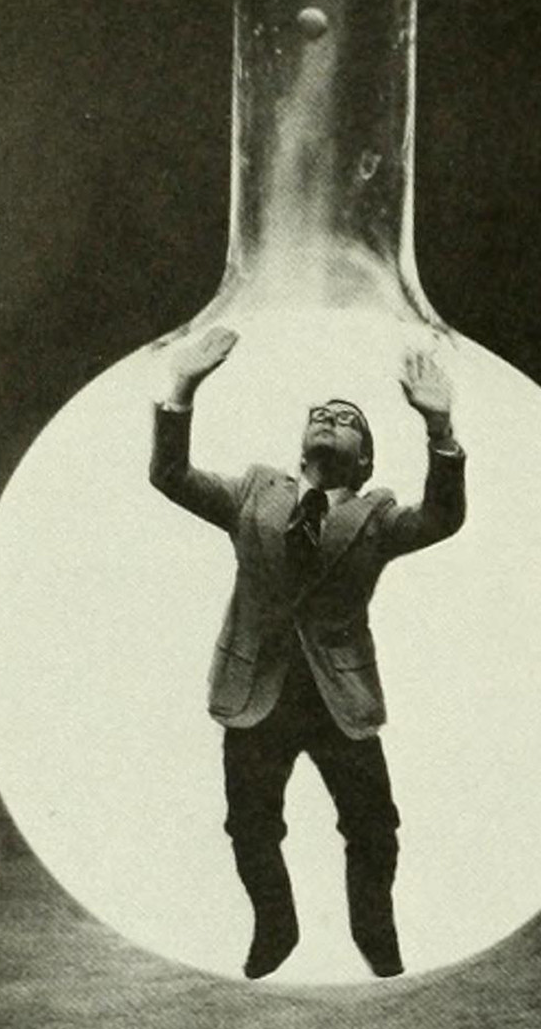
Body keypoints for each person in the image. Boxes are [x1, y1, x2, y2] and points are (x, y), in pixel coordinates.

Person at [149, 326, 466, 980]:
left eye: (347, 420)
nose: (329, 418)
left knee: (373, 826)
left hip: (339, 700)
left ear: (365, 459)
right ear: (301, 444)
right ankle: (277, 925)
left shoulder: (377, 517)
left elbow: (442, 519)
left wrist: (439, 427)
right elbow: (171, 474)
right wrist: (182, 388)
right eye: (319, 414)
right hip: (254, 692)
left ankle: (376, 938)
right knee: (250, 826)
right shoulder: (253, 494)